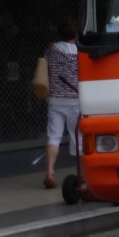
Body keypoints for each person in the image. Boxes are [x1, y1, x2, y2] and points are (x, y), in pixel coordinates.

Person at [43, 17, 80, 190]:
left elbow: (46, 67)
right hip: (75, 100)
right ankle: (82, 175)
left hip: (55, 100)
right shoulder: (80, 52)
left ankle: (50, 172)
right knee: (79, 138)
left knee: (54, 137)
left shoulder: (52, 49)